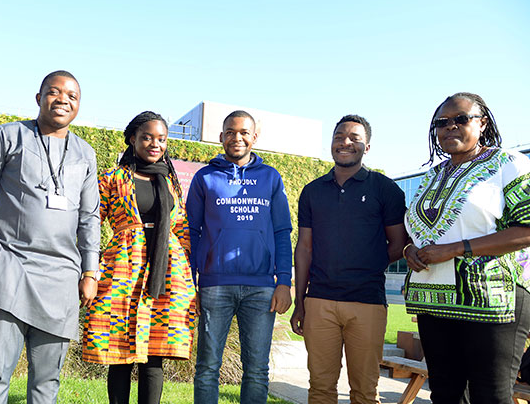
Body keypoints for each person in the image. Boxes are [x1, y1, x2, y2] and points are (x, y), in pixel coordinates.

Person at [0, 70, 101, 404]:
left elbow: (89, 217)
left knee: (47, 381)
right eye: (54, 92)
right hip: (10, 269)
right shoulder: (8, 136)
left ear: (79, 105)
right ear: (39, 97)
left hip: (61, 281)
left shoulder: (86, 154)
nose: (62, 100)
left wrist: (90, 271)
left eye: (72, 95)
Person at [403, 92, 530, 403]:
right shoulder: (432, 175)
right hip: (435, 301)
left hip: (491, 301)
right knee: (446, 396)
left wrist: (456, 249)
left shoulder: (508, 163)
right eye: (442, 123)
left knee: (491, 396)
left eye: (461, 119)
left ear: (482, 123)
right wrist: (409, 251)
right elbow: (419, 231)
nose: (450, 127)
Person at [290, 114, 407, 404]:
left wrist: (368, 264)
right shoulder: (312, 191)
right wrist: (300, 301)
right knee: (320, 388)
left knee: (365, 392)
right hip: (319, 302)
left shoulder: (384, 188)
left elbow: (400, 243)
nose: (345, 142)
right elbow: (304, 248)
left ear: (366, 147)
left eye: (355, 138)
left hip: (367, 301)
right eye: (339, 136)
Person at [82, 111, 197, 404]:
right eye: (147, 137)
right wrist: (91, 268)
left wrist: (187, 276)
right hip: (123, 270)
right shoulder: (112, 178)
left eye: (161, 138)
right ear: (133, 138)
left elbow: (181, 228)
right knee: (119, 352)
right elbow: (91, 223)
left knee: (154, 357)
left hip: (167, 273)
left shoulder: (171, 181)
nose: (155, 143)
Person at [187, 110, 293, 404]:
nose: (237, 138)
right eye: (231, 132)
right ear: (221, 137)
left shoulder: (271, 178)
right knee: (207, 368)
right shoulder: (204, 177)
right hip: (214, 286)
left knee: (257, 370)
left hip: (261, 287)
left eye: (244, 132)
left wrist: (284, 281)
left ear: (254, 137)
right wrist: (191, 282)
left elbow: (283, 231)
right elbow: (191, 233)